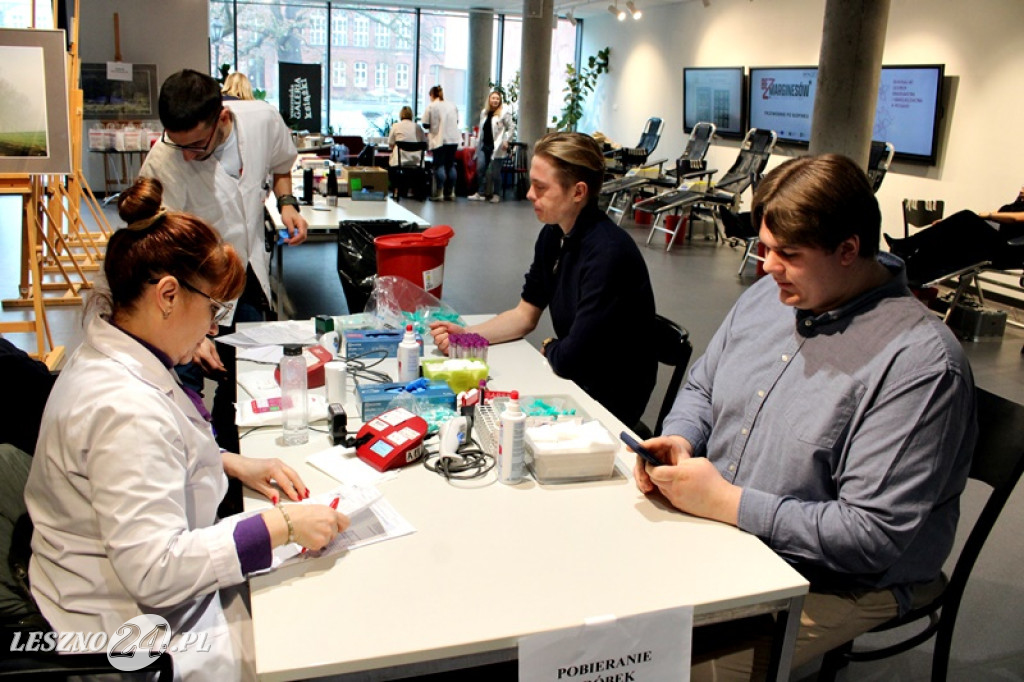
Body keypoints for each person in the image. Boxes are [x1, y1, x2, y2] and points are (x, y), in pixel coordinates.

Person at [630, 154, 977, 680]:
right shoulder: (770, 297)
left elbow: (869, 536)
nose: (767, 266)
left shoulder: (920, 365)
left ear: (848, 250)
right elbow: (703, 384)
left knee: (668, 667)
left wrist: (728, 502)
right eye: (765, 248)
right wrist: (680, 437)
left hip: (844, 580)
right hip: (732, 532)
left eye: (787, 254)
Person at [24, 178, 349, 680]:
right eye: (213, 311)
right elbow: (156, 572)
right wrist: (281, 526)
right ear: (168, 295)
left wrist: (227, 460)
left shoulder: (109, 351)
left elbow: (137, 464)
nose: (213, 330)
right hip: (127, 632)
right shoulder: (124, 408)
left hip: (98, 582)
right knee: (305, 637)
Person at [431, 132, 657, 427]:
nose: (529, 195)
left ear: (578, 192)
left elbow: (572, 357)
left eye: (540, 187)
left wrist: (552, 347)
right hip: (575, 379)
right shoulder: (554, 234)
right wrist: (466, 336)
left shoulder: (608, 253)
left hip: (606, 402)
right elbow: (525, 314)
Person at [140, 69, 308, 454]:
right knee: (183, 388)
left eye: (197, 146)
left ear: (223, 118)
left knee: (244, 380)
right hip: (187, 285)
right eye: (176, 143)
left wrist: (286, 204)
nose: (186, 155)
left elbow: (282, 163)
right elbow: (158, 253)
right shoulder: (162, 162)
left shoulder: (262, 120)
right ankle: (196, 464)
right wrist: (193, 331)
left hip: (245, 276)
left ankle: (232, 461)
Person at [467, 90, 515, 204]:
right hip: (485, 145)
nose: (495, 100)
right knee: (480, 168)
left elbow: (511, 127)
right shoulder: (484, 112)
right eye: (493, 98)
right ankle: (481, 192)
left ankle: (496, 194)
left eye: (497, 99)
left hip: (497, 147)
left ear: (500, 101)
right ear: (489, 99)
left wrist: (506, 140)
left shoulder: (504, 113)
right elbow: (481, 129)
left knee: (495, 172)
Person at [421, 85, 461, 201]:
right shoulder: (452, 105)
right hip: (453, 139)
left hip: (439, 139)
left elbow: (425, 124)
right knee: (450, 165)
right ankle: (451, 192)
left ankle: (440, 192)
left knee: (439, 165)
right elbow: (457, 121)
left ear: (432, 95)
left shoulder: (432, 106)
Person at [387, 105, 426, 199]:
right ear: (411, 115)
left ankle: (396, 190)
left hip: (400, 161)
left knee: (390, 167)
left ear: (400, 115)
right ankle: (416, 191)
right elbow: (424, 142)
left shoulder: (396, 126)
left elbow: (390, 143)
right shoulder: (418, 127)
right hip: (416, 161)